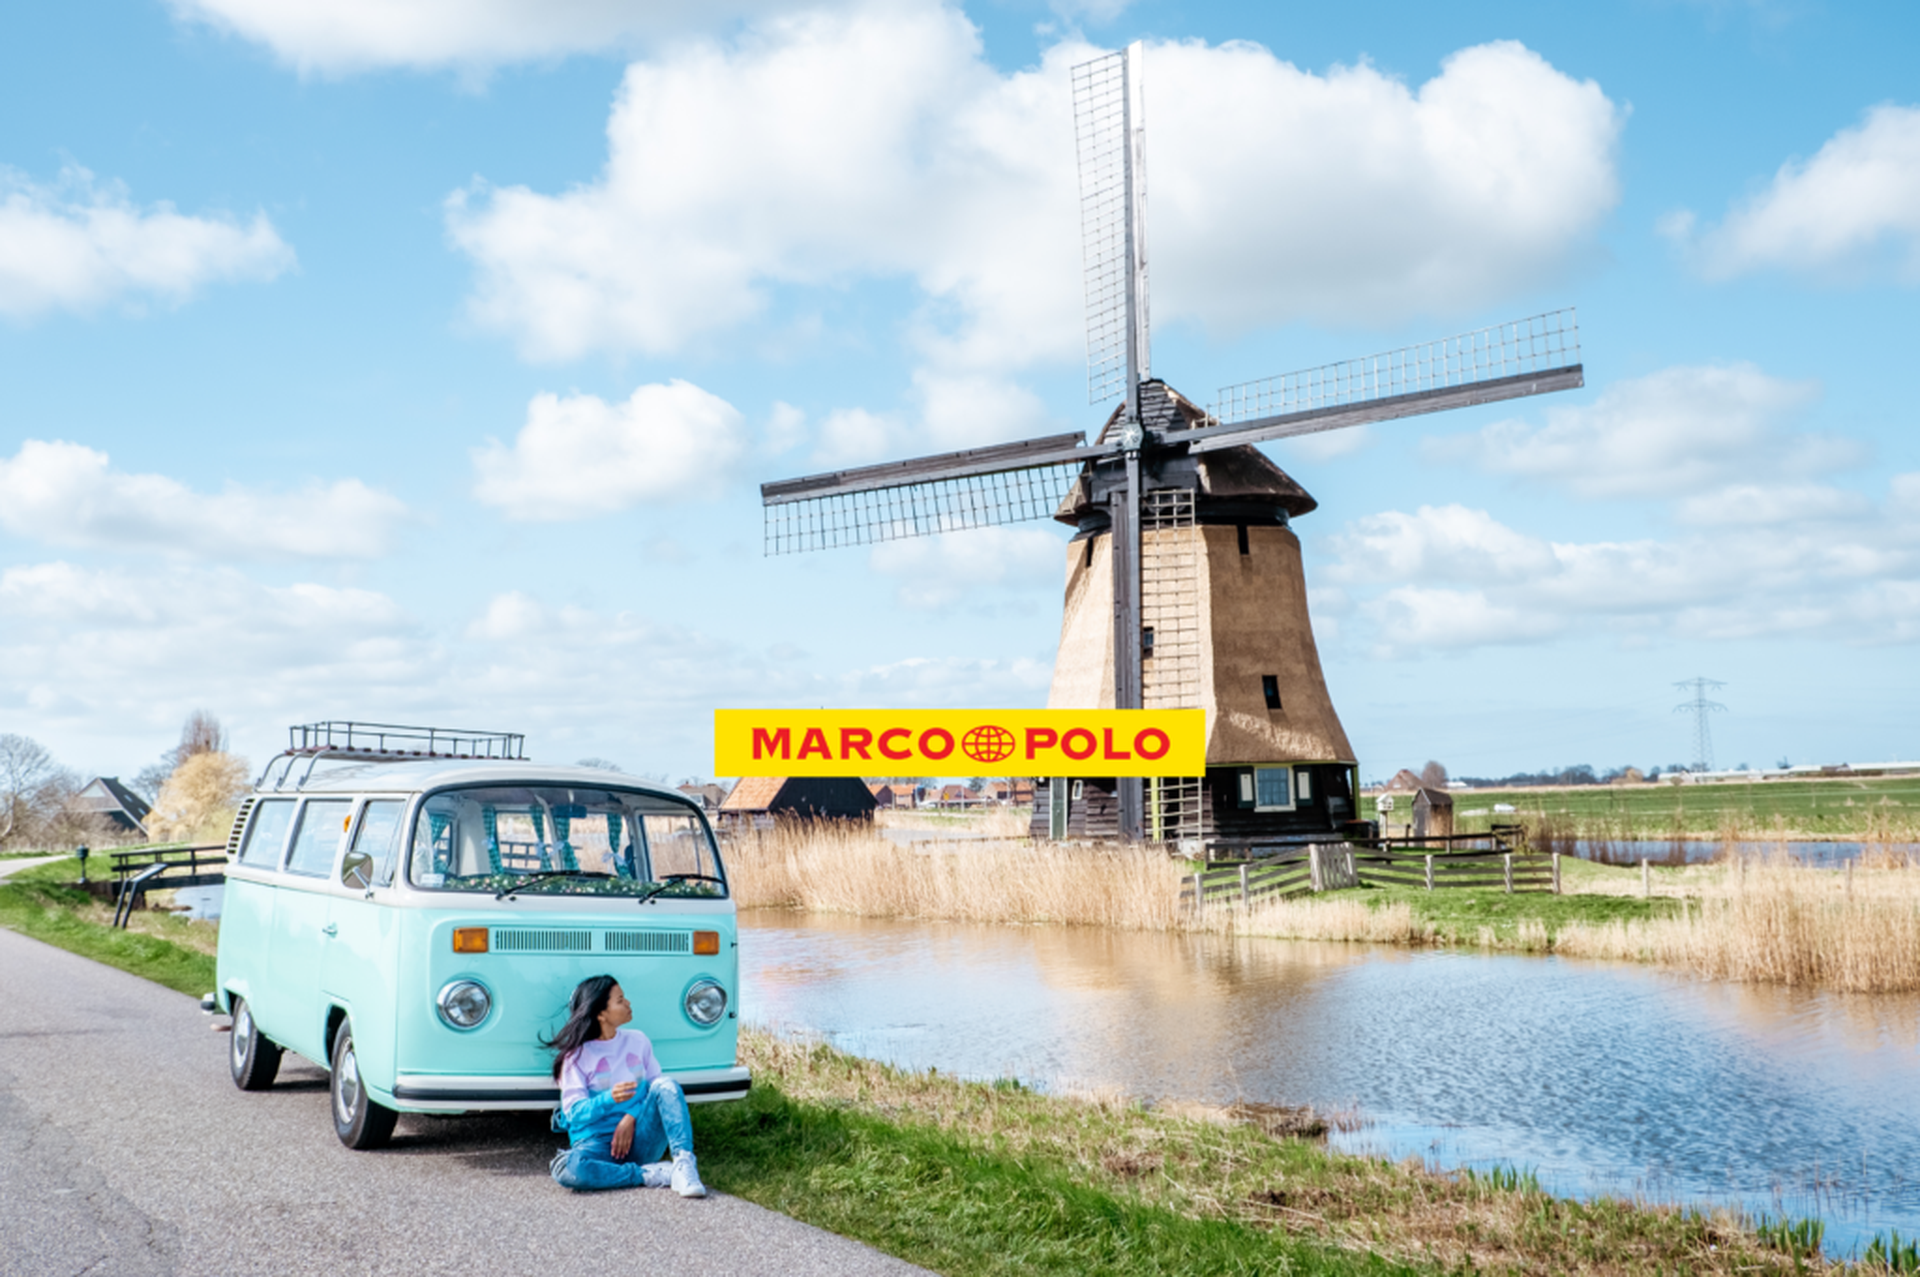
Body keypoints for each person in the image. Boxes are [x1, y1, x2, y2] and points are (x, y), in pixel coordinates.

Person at [544, 974, 706, 1196]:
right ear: (601, 1013)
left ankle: (684, 1164)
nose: (628, 1003)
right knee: (567, 1169)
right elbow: (573, 1113)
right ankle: (647, 1175)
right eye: (620, 1000)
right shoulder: (576, 1057)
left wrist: (630, 1117)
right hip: (596, 1145)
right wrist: (609, 1098)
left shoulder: (638, 1041)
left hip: (640, 1140)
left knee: (667, 1085)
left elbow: (656, 1091)